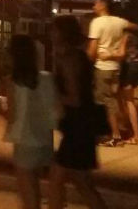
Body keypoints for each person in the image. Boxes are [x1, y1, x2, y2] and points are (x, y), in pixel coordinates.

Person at [50, 15, 107, 209]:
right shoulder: (73, 56)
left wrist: (53, 95)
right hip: (80, 125)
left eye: (54, 29)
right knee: (79, 181)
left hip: (78, 126)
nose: (51, 33)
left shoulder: (70, 59)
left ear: (63, 33)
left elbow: (74, 98)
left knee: (62, 178)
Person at [0, 34, 59, 209]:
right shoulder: (47, 78)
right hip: (44, 139)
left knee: (27, 192)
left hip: (24, 140)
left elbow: (12, 116)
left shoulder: (11, 81)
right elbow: (56, 109)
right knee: (35, 187)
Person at [87, 0, 134, 146]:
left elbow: (93, 49)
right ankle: (119, 130)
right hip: (115, 68)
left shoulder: (97, 23)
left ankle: (114, 135)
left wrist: (88, 61)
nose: (93, 6)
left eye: (96, 3)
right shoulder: (119, 22)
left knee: (104, 102)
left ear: (103, 5)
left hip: (103, 67)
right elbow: (132, 26)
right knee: (112, 99)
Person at [117, 27, 138, 145]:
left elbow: (121, 53)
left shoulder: (124, 35)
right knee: (127, 100)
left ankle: (136, 135)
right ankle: (128, 130)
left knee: (128, 101)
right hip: (135, 66)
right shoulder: (133, 36)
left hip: (129, 67)